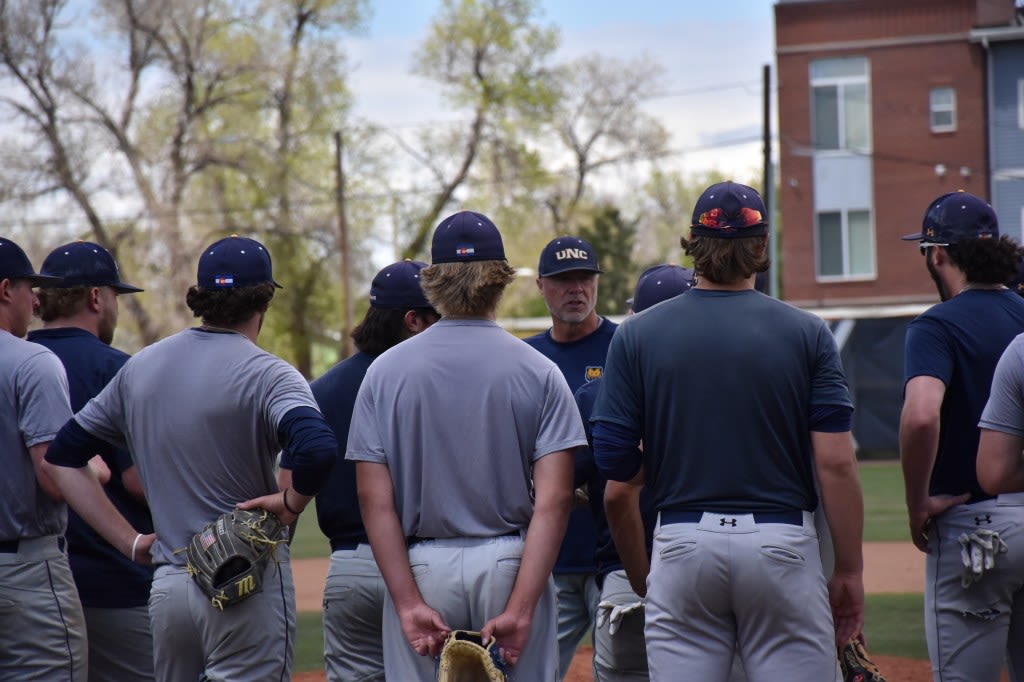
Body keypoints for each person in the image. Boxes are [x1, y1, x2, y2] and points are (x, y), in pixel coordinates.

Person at [591, 182, 865, 681]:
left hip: (681, 539)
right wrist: (848, 569)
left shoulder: (637, 333)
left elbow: (612, 461)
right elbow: (836, 463)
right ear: (761, 246)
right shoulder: (808, 332)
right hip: (781, 540)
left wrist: (667, 462)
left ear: (693, 243)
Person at [44, 235, 337, 681]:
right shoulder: (269, 372)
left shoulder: (141, 367)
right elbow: (317, 449)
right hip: (243, 584)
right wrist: (291, 503)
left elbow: (61, 457)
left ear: (201, 297)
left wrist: (131, 542)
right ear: (265, 300)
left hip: (170, 586)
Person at [347, 210, 586, 681]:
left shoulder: (384, 371)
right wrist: (519, 608)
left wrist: (408, 601)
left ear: (432, 282)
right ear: (500, 281)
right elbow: (556, 500)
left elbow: (374, 501)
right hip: (510, 563)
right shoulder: (537, 369)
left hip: (421, 566)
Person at [279, 259, 439, 682]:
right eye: (437, 316)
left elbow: (287, 499)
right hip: (422, 567)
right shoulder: (432, 384)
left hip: (350, 571)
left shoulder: (320, 390)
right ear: (413, 321)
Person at [898, 190, 1024, 682]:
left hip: (974, 525)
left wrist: (917, 502)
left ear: (939, 253)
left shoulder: (937, 325)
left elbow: (922, 415)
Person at [29, 240, 155, 682]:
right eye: (116, 296)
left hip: (37, 583)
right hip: (116, 583)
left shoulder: (17, 362)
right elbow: (139, 481)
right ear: (96, 297)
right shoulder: (118, 368)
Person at [576, 263, 691, 682]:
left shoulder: (595, 395)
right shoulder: (727, 386)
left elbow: (555, 488)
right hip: (704, 558)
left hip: (628, 574)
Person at [524, 235, 616, 679]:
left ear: (598, 283)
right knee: (532, 671)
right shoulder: (522, 357)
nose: (575, 289)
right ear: (541, 286)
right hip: (548, 562)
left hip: (616, 557)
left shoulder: (628, 347)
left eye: (584, 278)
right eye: (563, 281)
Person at [0, 236, 87, 679]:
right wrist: (93, 467)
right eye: (27, 287)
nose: (35, 299)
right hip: (24, 569)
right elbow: (55, 476)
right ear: (3, 290)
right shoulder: (32, 361)